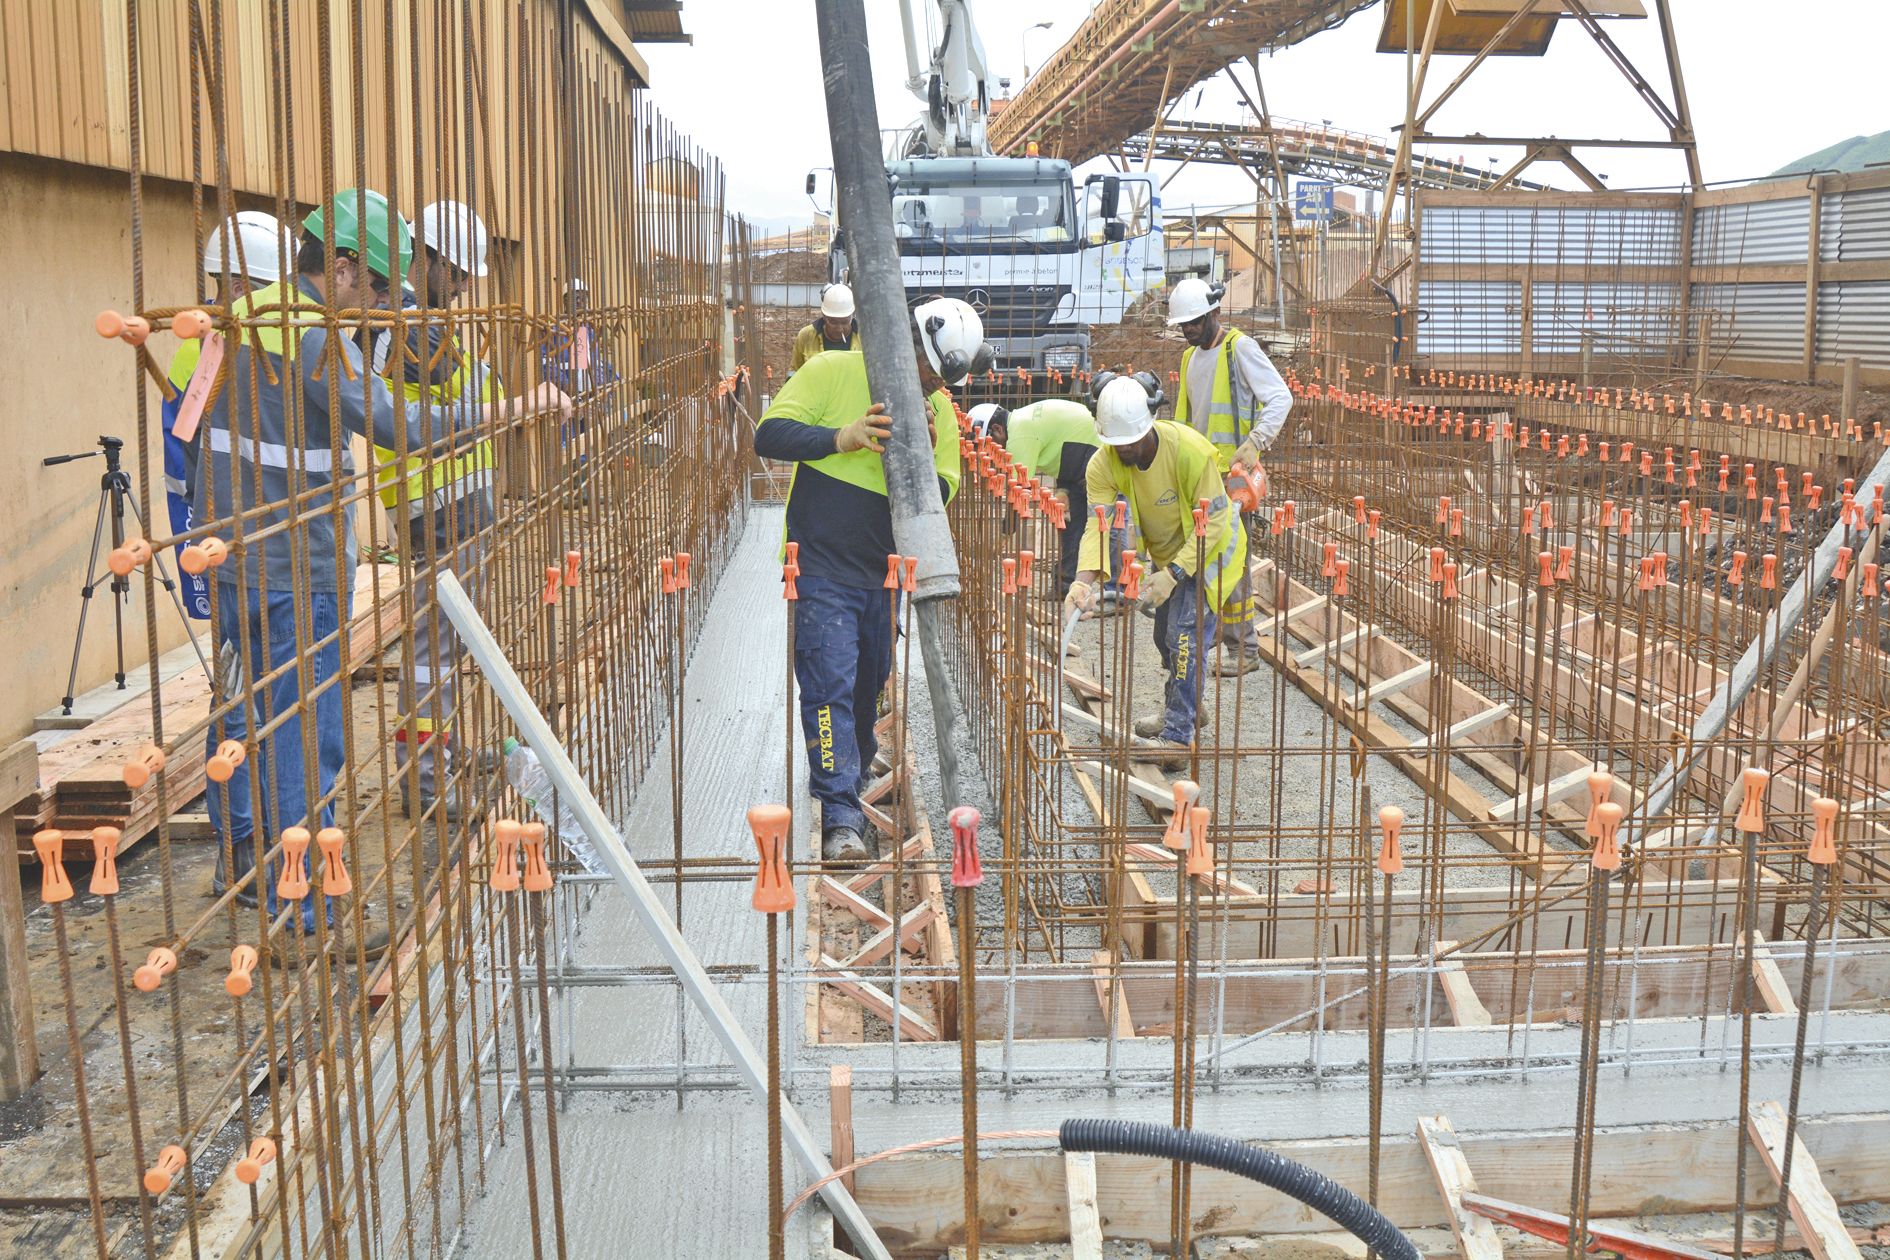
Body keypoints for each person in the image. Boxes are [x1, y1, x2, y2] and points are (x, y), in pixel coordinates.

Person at [197, 188, 568, 942]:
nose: (376, 304)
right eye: (368, 286)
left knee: (264, 728)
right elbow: (401, 424)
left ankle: (272, 880)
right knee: (308, 742)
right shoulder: (308, 337)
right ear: (335, 269)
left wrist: (397, 293)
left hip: (234, 556)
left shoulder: (243, 318)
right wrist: (516, 407)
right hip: (293, 566)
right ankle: (306, 913)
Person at [753, 297, 982, 863]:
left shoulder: (940, 412)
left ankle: (853, 757)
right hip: (822, 560)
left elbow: (947, 490)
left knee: (868, 683)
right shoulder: (831, 369)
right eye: (922, 370)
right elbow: (770, 436)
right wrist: (841, 436)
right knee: (829, 683)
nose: (927, 384)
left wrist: (920, 463)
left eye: (937, 377)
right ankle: (841, 815)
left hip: (883, 572)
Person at [373, 200, 501, 820]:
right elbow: (478, 390)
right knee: (432, 654)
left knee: (447, 650)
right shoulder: (407, 325)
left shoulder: (422, 320)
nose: (462, 289)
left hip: (458, 501)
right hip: (437, 505)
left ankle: (440, 753)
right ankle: (425, 781)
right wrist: (492, 384)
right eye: (455, 275)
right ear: (425, 258)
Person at [1063, 376, 1247, 770]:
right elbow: (1098, 525)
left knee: (1184, 638)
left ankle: (1178, 738)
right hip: (1169, 554)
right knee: (1165, 639)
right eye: (1116, 443)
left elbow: (1215, 521)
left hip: (1212, 550)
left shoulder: (1188, 451)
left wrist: (1175, 573)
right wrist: (1082, 580)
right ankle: (1187, 706)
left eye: (1131, 441)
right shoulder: (1105, 462)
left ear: (1149, 424)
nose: (1124, 449)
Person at [166, 212, 297, 623]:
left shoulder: (237, 334)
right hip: (222, 515)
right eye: (274, 291)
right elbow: (186, 453)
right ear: (241, 288)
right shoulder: (207, 345)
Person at [1168, 276, 1292, 674]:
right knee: (1204, 562)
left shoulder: (1239, 348)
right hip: (1198, 478)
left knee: (1233, 566)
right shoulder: (1189, 358)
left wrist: (1257, 441)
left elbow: (1280, 397)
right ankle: (1212, 643)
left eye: (1196, 322)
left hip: (1232, 480)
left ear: (1215, 313)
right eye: (1184, 324)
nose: (1189, 330)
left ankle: (1245, 650)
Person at [969, 390, 1103, 597]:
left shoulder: (1020, 433)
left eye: (990, 444)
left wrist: (1005, 531)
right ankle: (1066, 584)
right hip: (1075, 456)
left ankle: (1115, 591)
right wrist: (1063, 487)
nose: (992, 452)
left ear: (997, 429)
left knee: (1101, 522)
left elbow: (1018, 493)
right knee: (1070, 521)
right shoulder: (1021, 421)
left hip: (1092, 450)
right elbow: (1061, 441)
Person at [789, 283, 859, 372]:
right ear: (824, 316)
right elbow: (794, 371)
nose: (839, 328)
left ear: (851, 316)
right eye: (833, 322)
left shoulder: (865, 339)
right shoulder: (806, 336)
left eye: (845, 322)